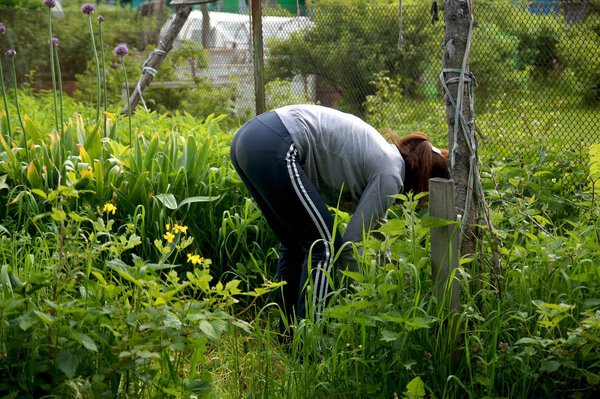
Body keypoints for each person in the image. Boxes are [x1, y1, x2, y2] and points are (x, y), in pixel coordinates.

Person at [229, 104, 450, 329]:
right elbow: (352, 246)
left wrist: (391, 278)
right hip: (277, 143)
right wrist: (357, 301)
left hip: (248, 139)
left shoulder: (385, 159)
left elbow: (376, 230)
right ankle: (312, 342)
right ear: (424, 181)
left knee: (295, 244)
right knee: (323, 246)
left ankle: (287, 336)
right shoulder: (390, 174)